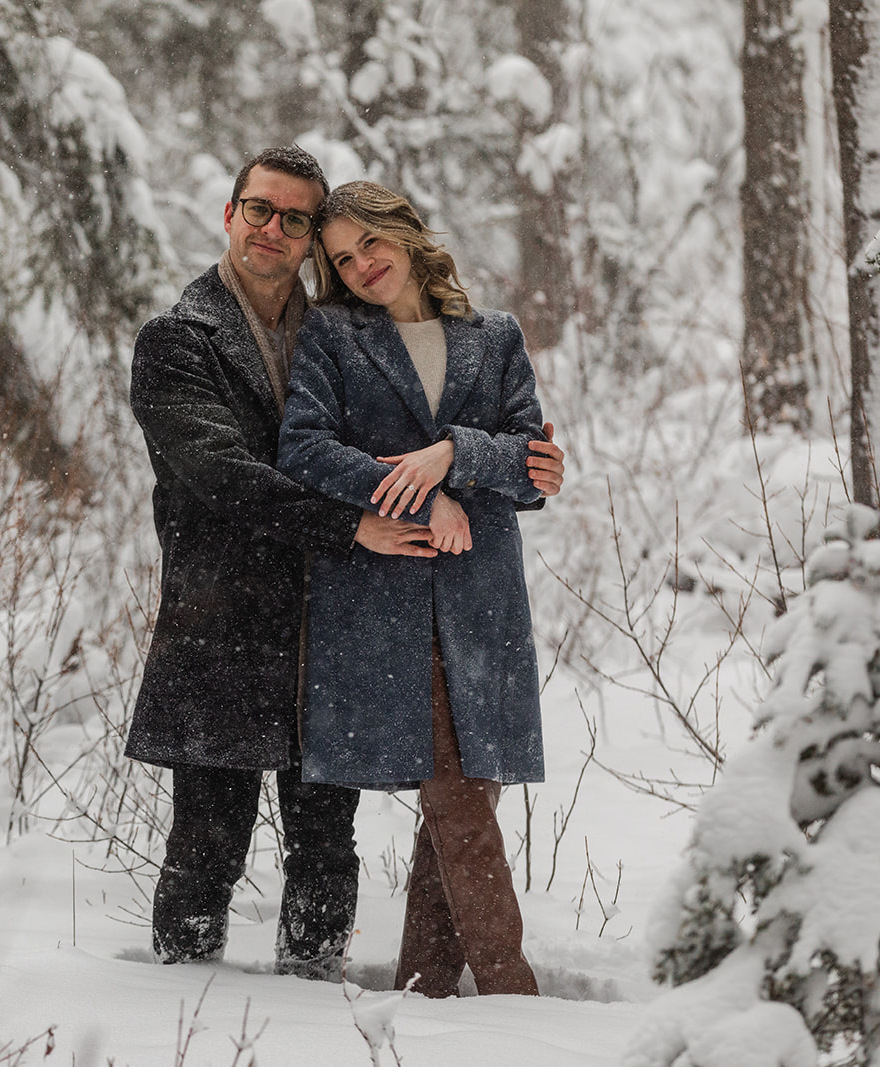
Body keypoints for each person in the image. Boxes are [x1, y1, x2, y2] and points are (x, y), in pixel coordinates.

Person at [127, 149, 564, 981]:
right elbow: (224, 477)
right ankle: (176, 1003)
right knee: (207, 839)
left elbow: (493, 443)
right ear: (230, 213)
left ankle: (320, 992)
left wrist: (504, 463)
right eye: (261, 210)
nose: (275, 230)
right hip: (222, 622)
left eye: (297, 220)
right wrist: (356, 522)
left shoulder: (335, 329)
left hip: (329, 621)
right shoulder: (179, 340)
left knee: (327, 839)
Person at [277, 180, 550, 997]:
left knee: (461, 806)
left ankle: (423, 990)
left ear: (406, 233)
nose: (361, 265)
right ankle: (513, 994)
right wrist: (420, 491)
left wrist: (452, 455)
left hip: (484, 604)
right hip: (384, 605)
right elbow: (305, 449)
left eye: (371, 243)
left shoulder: (494, 336)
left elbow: (531, 467)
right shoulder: (330, 335)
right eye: (342, 258)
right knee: (460, 805)